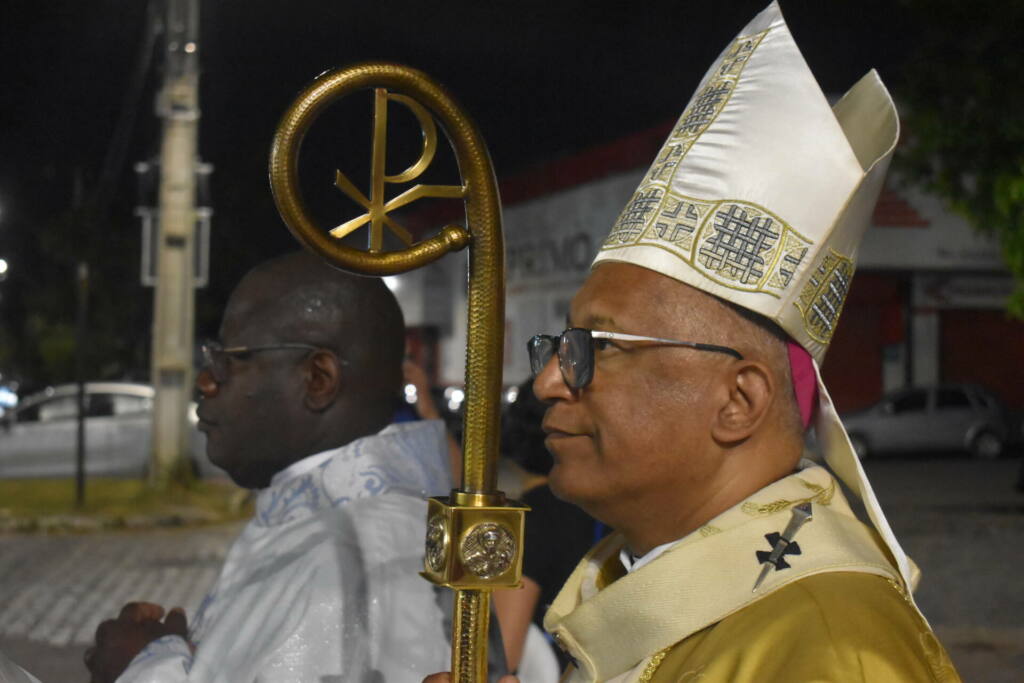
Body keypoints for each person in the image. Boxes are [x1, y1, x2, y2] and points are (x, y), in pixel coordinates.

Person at [430, 2, 960, 681]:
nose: (547, 382)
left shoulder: (830, 644)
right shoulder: (654, 586)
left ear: (739, 399)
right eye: (560, 344)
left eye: (599, 346)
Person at [86, 251, 455, 682]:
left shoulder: (351, 558)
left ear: (318, 379)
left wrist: (138, 667)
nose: (206, 382)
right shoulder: (330, 523)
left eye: (229, 360)